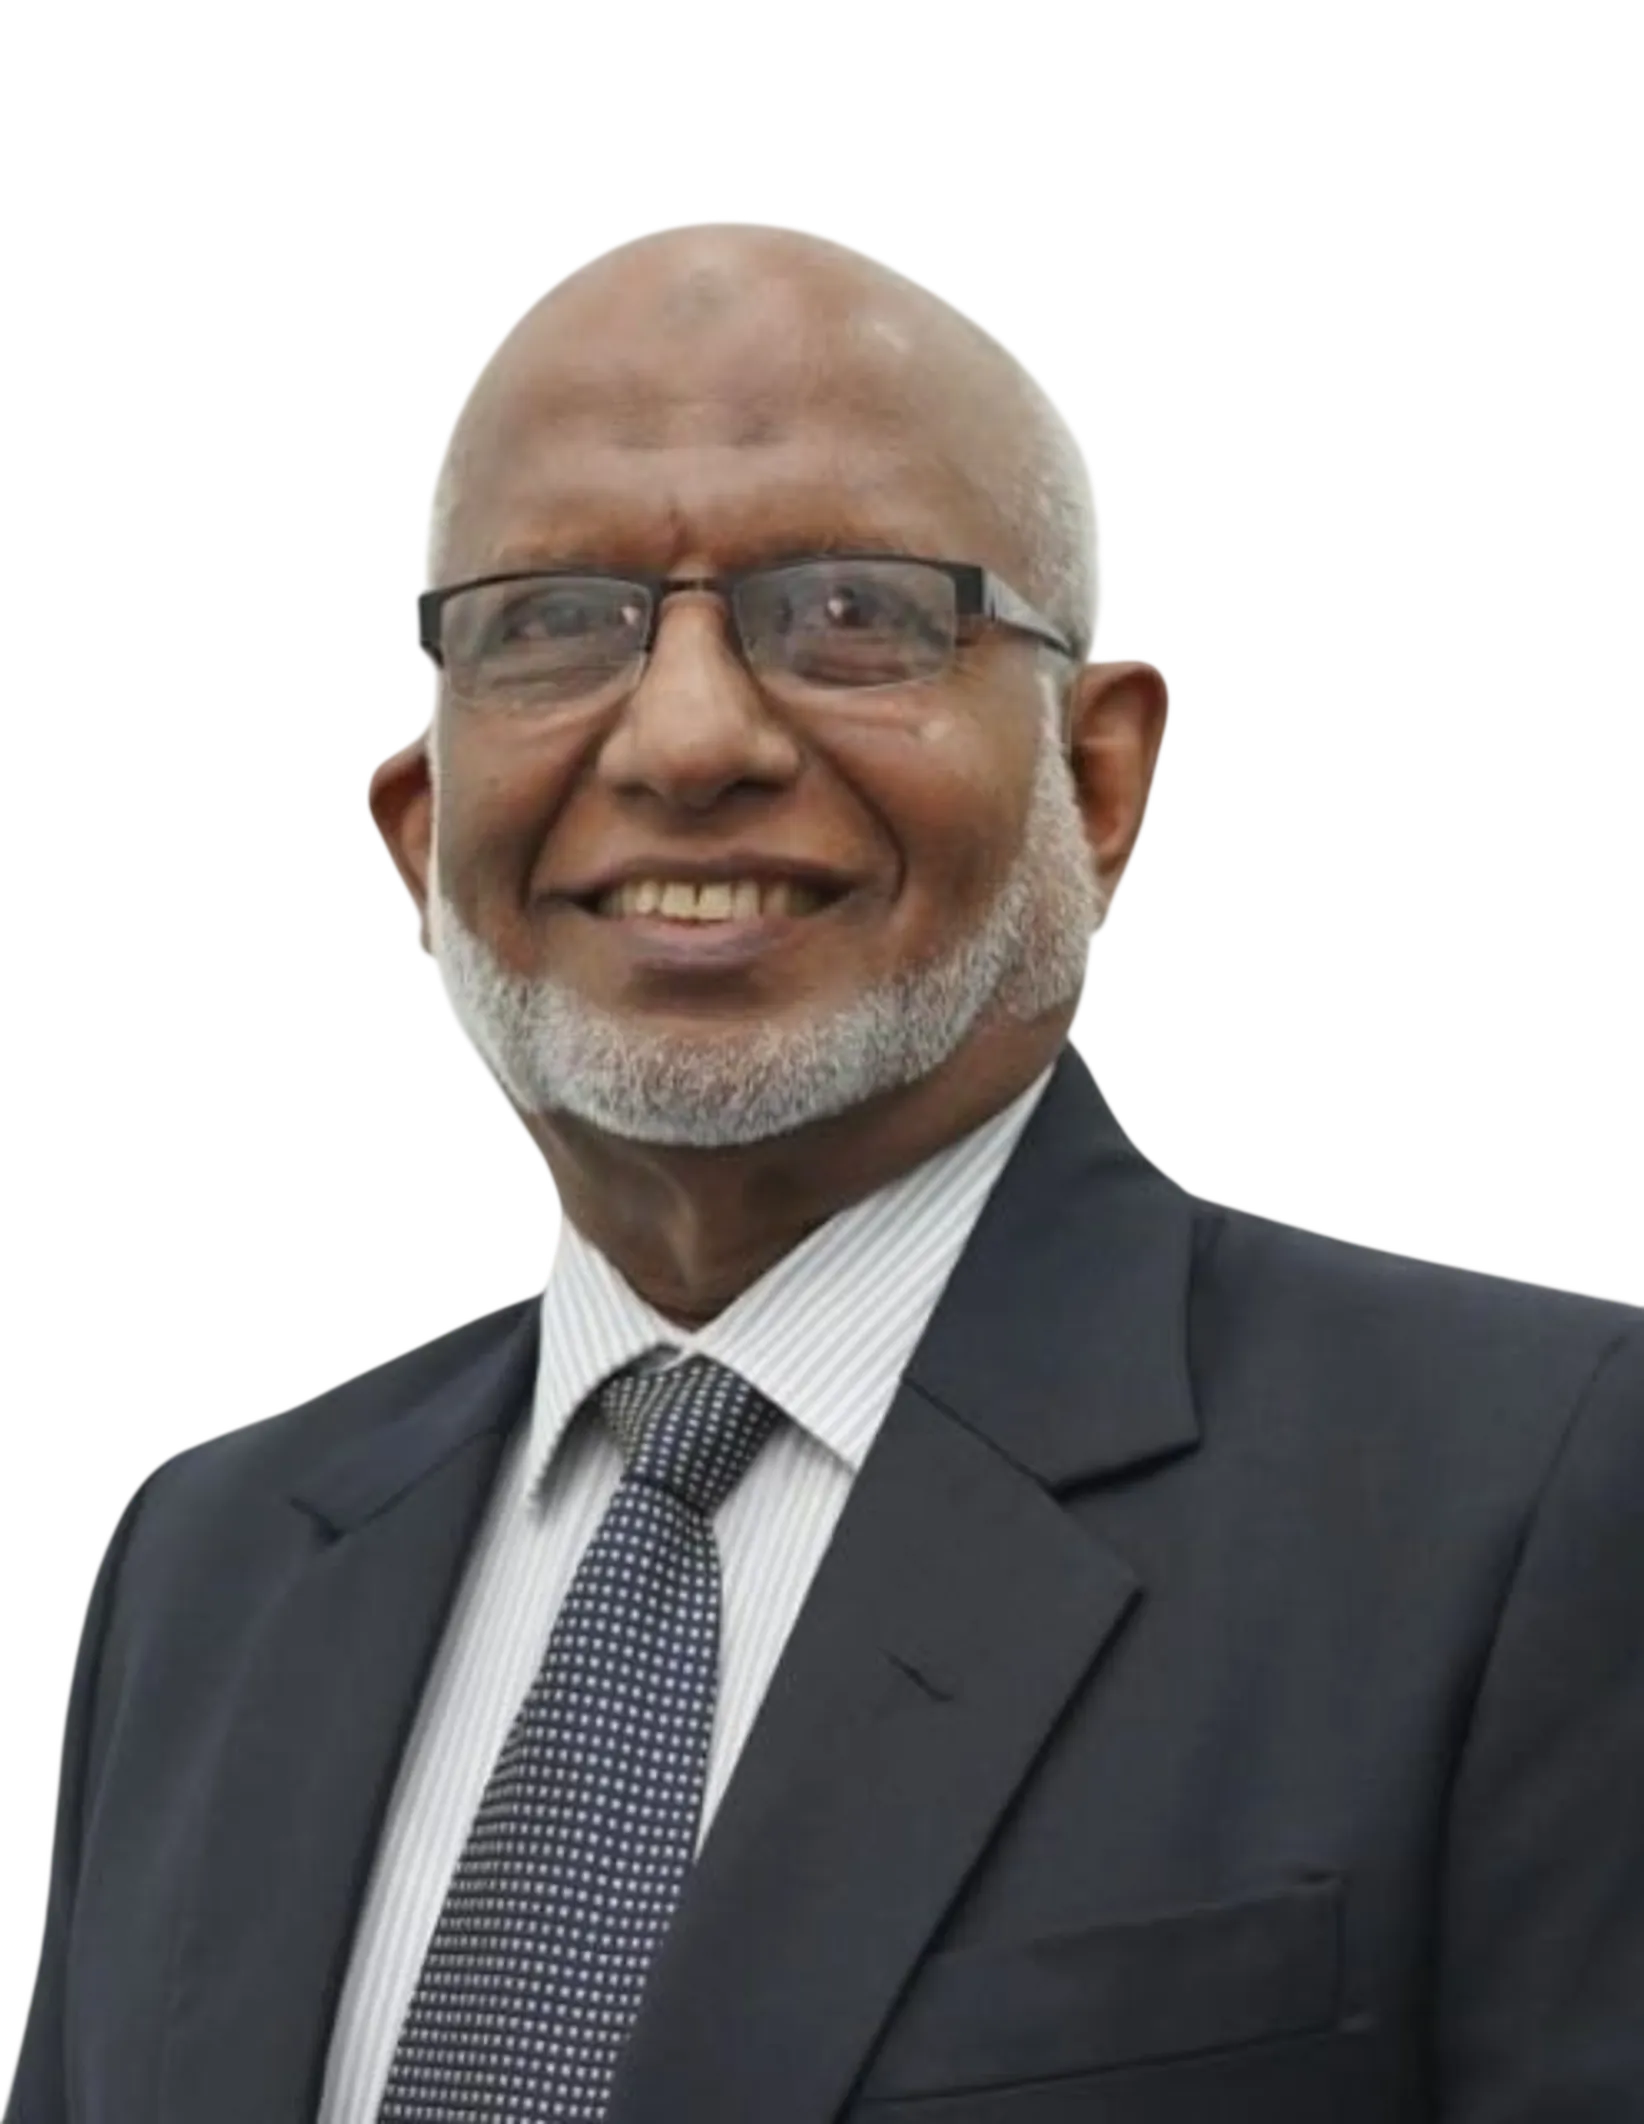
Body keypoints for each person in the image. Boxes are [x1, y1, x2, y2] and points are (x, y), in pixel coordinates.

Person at [9, 222, 1639, 2124]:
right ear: (420, 828)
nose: (690, 738)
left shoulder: (1543, 1490)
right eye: (553, 622)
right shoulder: (215, 1563)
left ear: (1100, 779)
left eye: (852, 608)